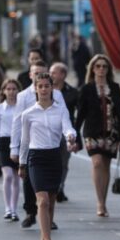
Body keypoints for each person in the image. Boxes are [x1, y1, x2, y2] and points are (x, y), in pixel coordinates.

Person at [19, 73, 77, 240]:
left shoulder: (60, 109)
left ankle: (44, 239)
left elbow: (67, 127)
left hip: (54, 156)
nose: (44, 89)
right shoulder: (28, 114)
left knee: (51, 201)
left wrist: (70, 136)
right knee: (42, 200)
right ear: (35, 89)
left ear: (52, 88)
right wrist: (22, 163)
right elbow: (25, 140)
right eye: (40, 86)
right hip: (36, 158)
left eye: (47, 86)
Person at [10, 61, 67, 229]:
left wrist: (70, 135)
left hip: (53, 143)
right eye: (36, 74)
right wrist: (14, 147)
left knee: (50, 192)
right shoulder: (23, 96)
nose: (43, 87)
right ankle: (30, 212)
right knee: (30, 183)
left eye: (42, 73)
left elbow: (65, 118)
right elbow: (17, 123)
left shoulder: (56, 95)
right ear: (31, 76)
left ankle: (48, 218)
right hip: (33, 147)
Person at [74, 55, 120, 217]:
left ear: (108, 69)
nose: (101, 69)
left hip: (112, 133)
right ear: (92, 69)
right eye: (98, 66)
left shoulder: (114, 87)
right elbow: (81, 114)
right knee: (97, 162)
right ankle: (99, 202)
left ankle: (104, 202)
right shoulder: (86, 89)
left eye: (104, 66)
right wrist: (75, 134)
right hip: (92, 133)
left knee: (106, 166)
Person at [0, 80, 21, 220]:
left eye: (14, 89)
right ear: (3, 91)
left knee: (16, 177)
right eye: (8, 89)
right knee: (7, 175)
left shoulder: (22, 108)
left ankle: (14, 209)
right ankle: (7, 208)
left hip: (18, 143)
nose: (11, 91)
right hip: (3, 142)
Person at [50, 62, 79, 203]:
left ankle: (60, 187)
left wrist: (76, 138)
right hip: (48, 132)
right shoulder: (45, 90)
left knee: (63, 162)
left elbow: (79, 116)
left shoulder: (72, 92)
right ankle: (51, 187)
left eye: (55, 72)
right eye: (51, 72)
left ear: (63, 75)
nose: (51, 75)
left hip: (66, 133)